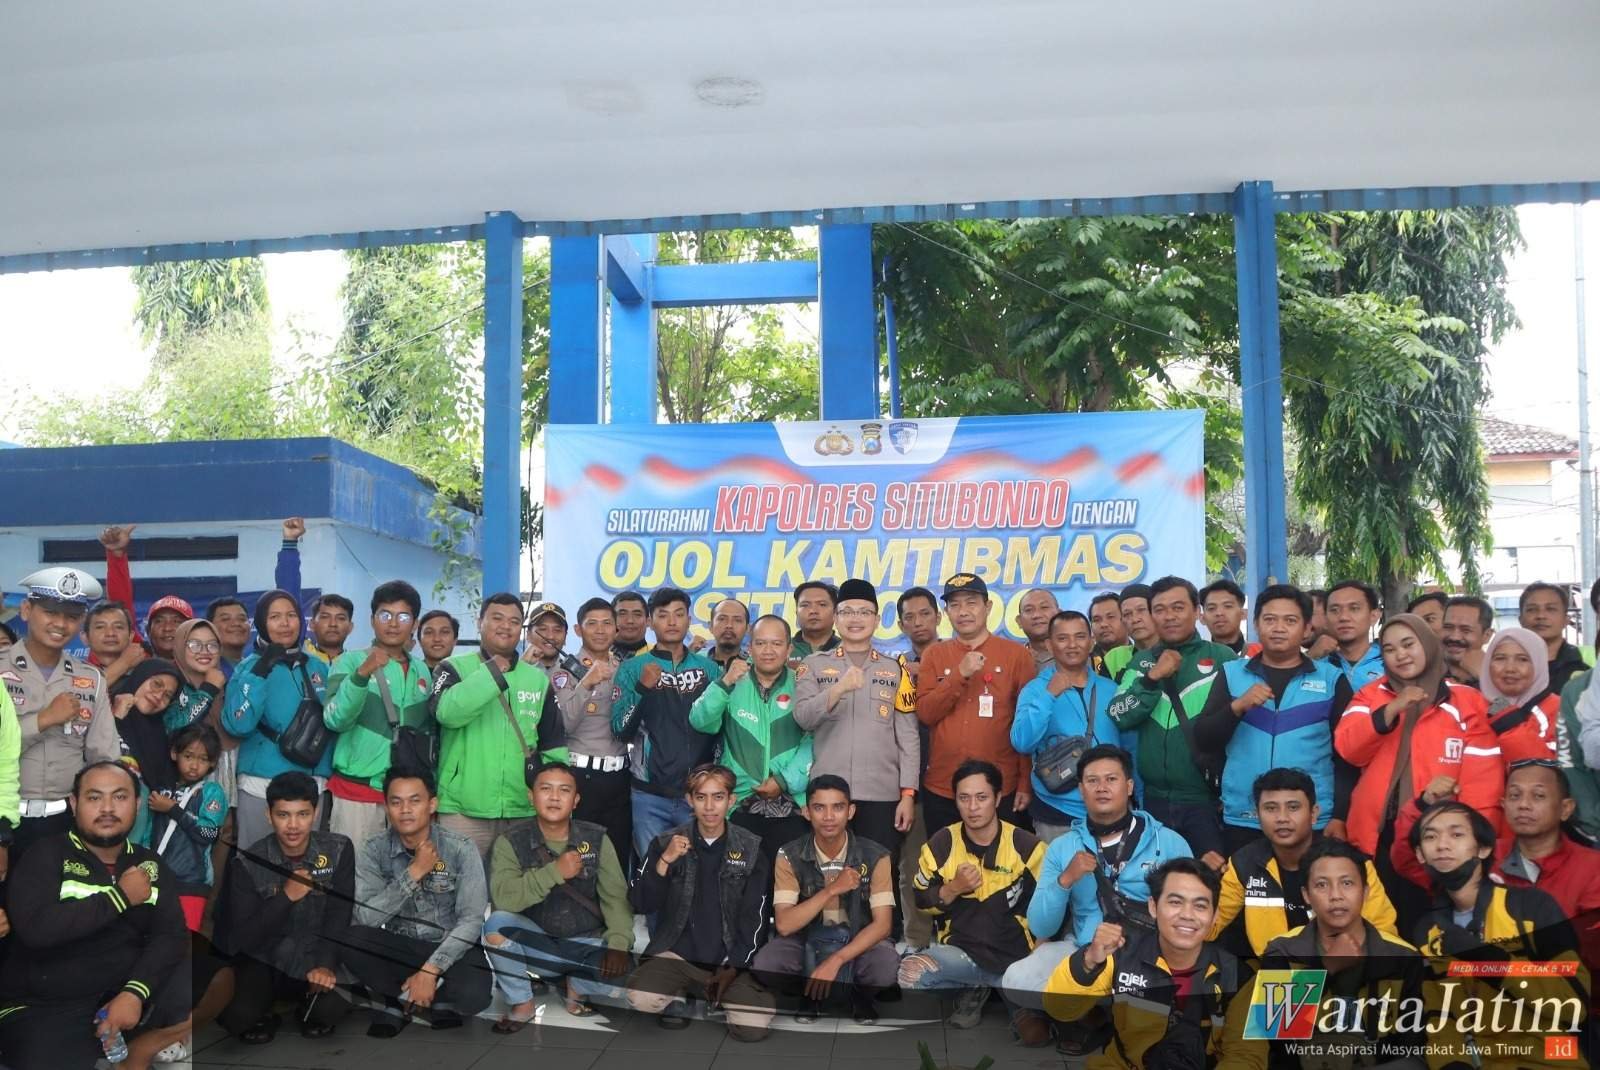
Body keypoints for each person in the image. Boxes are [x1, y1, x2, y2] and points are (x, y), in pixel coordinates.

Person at [0, 761, 232, 1070]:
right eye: (94, 797)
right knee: (41, 1055)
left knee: (217, 978)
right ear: (74, 804)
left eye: (120, 797)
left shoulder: (149, 863)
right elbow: (37, 929)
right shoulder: (45, 855)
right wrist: (120, 897)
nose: (107, 808)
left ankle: (142, 1047)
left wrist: (134, 992)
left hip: (122, 992)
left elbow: (170, 935)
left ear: (137, 803)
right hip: (47, 1001)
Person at [1337, 614, 1506, 930]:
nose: (1400, 655)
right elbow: (1348, 748)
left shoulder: (1466, 700)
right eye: (1389, 649)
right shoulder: (1370, 695)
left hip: (1438, 840)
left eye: (1408, 644)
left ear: (1428, 644)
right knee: (1378, 928)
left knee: (1432, 927)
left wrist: (1474, 841)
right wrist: (1392, 708)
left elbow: (1484, 780)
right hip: (1377, 836)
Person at [1005, 745, 1191, 1014]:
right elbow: (1041, 926)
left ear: (1129, 786)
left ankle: (1106, 1015)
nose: (1101, 788)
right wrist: (1065, 880)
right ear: (1081, 790)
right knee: (1017, 980)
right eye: (1092, 781)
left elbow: (1190, 913)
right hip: (1086, 950)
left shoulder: (1169, 843)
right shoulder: (1063, 847)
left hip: (1149, 954)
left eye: (1111, 779)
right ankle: (1093, 1014)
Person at [1408, 798, 1589, 1069]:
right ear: (1420, 854)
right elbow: (1439, 1017)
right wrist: (1451, 1063)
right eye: (1430, 837)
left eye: (1456, 834)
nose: (1442, 845)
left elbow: (1574, 1004)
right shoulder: (1426, 931)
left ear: (1484, 848)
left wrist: (1489, 960)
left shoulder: (1531, 907)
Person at [1042, 858, 1262, 1070]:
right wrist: (1089, 961)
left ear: (1215, 916)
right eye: (1175, 902)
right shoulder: (1120, 952)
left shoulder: (1239, 976)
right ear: (1153, 907)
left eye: (1200, 906)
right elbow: (1059, 1009)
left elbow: (1246, 1056)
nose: (1187, 915)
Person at [1193, 584, 1354, 854]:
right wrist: (1238, 706)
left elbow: (1348, 756)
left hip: (1312, 819)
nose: (1279, 628)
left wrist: (1340, 815)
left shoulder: (1331, 679)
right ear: (1256, 624)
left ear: (1307, 629)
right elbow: (1204, 738)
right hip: (1244, 816)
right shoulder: (1231, 674)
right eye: (1269, 619)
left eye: (1290, 621)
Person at [901, 759, 1050, 1044]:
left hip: (1015, 957)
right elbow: (920, 901)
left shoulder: (1027, 846)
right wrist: (953, 888)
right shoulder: (941, 844)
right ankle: (979, 986)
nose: (972, 807)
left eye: (981, 797)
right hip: (962, 952)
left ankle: (999, 989)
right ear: (955, 800)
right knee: (910, 974)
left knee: (1036, 1037)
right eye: (964, 798)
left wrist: (1037, 958)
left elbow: (1049, 908)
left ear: (997, 798)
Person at [628, 764, 775, 1039]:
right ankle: (682, 991)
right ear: (689, 800)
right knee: (642, 998)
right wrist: (665, 861)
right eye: (701, 797)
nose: (709, 807)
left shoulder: (751, 848)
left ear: (731, 800)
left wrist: (735, 966)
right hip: (677, 955)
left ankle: (719, 996)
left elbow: (756, 918)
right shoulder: (665, 843)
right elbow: (640, 902)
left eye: (718, 797)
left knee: (753, 1027)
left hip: (728, 959)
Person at [343, 767, 492, 1036]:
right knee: (352, 939)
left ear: (432, 805)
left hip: (449, 947)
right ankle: (400, 1001)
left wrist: (430, 970)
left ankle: (425, 995)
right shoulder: (373, 849)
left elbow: (471, 920)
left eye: (415, 801)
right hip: (402, 946)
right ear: (386, 807)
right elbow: (366, 918)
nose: (405, 810)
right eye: (396, 802)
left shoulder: (460, 847)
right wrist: (413, 873)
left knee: (475, 996)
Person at [484, 762, 632, 1029]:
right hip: (539, 946)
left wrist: (618, 945)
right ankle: (522, 1002)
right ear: (531, 796)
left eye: (564, 790)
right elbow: (504, 899)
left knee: (632, 982)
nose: (554, 797)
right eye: (546, 789)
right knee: (496, 925)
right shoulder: (511, 841)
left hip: (586, 944)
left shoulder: (596, 839)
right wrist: (555, 872)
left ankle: (574, 984)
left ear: (576, 800)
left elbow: (616, 898)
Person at [793, 579, 918, 888]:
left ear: (876, 620)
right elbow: (803, 718)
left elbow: (908, 737)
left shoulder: (896, 669)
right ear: (836, 618)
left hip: (882, 794)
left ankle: (882, 923)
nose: (855, 619)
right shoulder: (813, 665)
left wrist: (908, 795)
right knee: (826, 877)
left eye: (864, 612)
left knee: (880, 878)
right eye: (847, 611)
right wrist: (838, 689)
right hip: (829, 795)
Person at [1258, 838, 1425, 1066]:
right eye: (1322, 885)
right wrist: (1326, 967)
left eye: (1347, 883)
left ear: (1365, 892)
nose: (1335, 895)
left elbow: (1410, 1046)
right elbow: (1275, 1042)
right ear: (1306, 895)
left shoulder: (1403, 957)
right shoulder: (1281, 951)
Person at [1106, 574, 1235, 867]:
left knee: (1209, 880)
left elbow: (1238, 725)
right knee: (1156, 881)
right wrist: (1152, 678)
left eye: (1178, 607)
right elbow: (1118, 714)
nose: (1169, 616)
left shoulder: (1223, 657)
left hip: (1205, 801)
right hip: (1154, 801)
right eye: (1160, 609)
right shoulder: (1142, 662)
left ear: (1197, 612)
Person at [216, 771, 353, 1044]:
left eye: (302, 814)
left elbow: (339, 915)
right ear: (269, 815)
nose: (293, 825)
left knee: (330, 1011)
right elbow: (244, 938)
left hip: (314, 955)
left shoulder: (338, 850)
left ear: (315, 813)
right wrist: (286, 897)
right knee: (236, 1017)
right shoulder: (248, 863)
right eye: (283, 815)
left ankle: (305, 1008)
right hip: (266, 961)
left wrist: (325, 965)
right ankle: (268, 1012)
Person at [429, 592, 569, 859]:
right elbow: (447, 713)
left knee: (520, 885)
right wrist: (492, 673)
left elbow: (553, 744)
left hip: (522, 809)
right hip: (462, 810)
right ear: (479, 622)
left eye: (514, 621)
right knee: (459, 885)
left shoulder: (537, 680)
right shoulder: (452, 668)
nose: (506, 626)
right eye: (497, 618)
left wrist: (555, 798)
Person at [754, 774, 897, 1025]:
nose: (829, 817)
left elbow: (883, 925)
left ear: (850, 811)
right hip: (808, 938)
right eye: (819, 808)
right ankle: (809, 994)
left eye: (838, 807)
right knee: (767, 963)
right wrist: (831, 890)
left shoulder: (876, 855)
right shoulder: (789, 855)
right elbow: (785, 925)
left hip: (858, 938)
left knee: (885, 966)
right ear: (806, 812)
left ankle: (859, 995)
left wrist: (836, 960)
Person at [1210, 768, 1395, 957]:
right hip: (1275, 970)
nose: (1282, 818)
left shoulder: (1350, 863)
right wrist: (1198, 879)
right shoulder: (1245, 863)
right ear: (1257, 815)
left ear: (1313, 814)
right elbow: (1208, 927)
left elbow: (1385, 935)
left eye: (1293, 807)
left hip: (1345, 966)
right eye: (1271, 808)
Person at [7, 567, 118, 856]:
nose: (60, 623)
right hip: (5, 818)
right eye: (50, 612)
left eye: (71, 616)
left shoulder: (90, 679)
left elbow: (104, 758)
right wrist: (44, 720)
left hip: (67, 822)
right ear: (26, 610)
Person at [916, 573, 1036, 831]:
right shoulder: (934, 654)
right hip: (943, 786)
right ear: (946, 612)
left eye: (971, 603)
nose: (963, 611)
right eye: (955, 605)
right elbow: (925, 713)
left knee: (1002, 856)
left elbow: (1026, 725)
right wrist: (959, 675)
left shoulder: (1016, 655)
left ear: (988, 607)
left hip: (1000, 787)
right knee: (943, 856)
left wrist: (1025, 782)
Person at [690, 614, 814, 861]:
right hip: (739, 803)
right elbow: (700, 721)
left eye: (776, 643)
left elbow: (814, 740)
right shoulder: (732, 682)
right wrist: (725, 683)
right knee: (738, 879)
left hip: (792, 806)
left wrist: (783, 780)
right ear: (750, 647)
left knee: (787, 881)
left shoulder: (803, 685)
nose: (768, 650)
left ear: (789, 649)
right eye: (760, 643)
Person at [612, 586, 719, 864]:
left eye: (679, 614)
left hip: (698, 796)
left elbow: (722, 729)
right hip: (650, 796)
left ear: (689, 620)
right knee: (653, 873)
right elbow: (620, 728)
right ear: (650, 621)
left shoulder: (708, 669)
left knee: (697, 875)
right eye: (663, 615)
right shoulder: (632, 668)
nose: (672, 622)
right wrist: (642, 688)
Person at [324, 580, 435, 847]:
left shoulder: (422, 670)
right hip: (357, 791)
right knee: (356, 870)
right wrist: (361, 674)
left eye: (403, 617)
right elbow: (335, 719)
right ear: (372, 620)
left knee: (406, 869)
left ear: (415, 624)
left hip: (407, 797)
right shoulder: (349, 661)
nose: (393, 624)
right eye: (385, 615)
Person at [220, 589, 332, 851]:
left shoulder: (317, 666)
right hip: (261, 783)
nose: (285, 623)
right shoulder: (248, 667)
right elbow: (238, 724)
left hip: (311, 784)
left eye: (291, 615)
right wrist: (260, 671)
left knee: (306, 863)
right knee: (256, 861)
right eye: (275, 617)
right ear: (261, 622)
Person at [1010, 610, 1121, 841]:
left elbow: (1130, 747)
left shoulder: (1110, 689)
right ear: (1050, 646)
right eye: (1062, 638)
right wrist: (1048, 696)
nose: (1072, 645)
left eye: (1080, 637)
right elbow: (1022, 742)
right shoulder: (1036, 690)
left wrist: (1136, 797)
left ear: (1091, 642)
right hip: (1057, 812)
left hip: (1113, 808)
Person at [1493, 760, 1600, 972]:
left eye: (1538, 796)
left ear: (1565, 809)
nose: (1523, 804)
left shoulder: (1593, 868)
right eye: (1515, 795)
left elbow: (1589, 952)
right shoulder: (1484, 856)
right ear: (1503, 805)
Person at [553, 598, 631, 862]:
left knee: (617, 861)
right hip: (581, 777)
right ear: (578, 630)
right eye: (592, 623)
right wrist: (586, 684)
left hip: (620, 777)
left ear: (616, 629)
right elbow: (564, 724)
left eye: (607, 623)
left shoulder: (625, 670)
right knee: (579, 861)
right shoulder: (564, 672)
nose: (600, 630)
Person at [895, 585, 943, 950]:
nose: (918, 622)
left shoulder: (958, 660)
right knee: (913, 867)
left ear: (938, 617)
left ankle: (957, 940)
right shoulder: (894, 668)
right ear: (900, 625)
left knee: (957, 864)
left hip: (955, 784)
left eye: (924, 613)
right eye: (909, 617)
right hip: (912, 784)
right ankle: (916, 941)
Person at [149, 723, 228, 932]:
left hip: (191, 881)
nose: (194, 765)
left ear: (212, 762)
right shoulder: (161, 787)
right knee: (151, 938)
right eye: (189, 756)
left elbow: (209, 833)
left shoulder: (211, 792)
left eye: (203, 759)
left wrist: (173, 810)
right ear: (174, 753)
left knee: (184, 940)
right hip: (154, 877)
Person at [1481, 627, 1562, 764]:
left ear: (1539, 664)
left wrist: (1508, 722)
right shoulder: (1472, 705)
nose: (1510, 668)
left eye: (1523, 660)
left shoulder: (1559, 710)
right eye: (1500, 659)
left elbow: (1546, 769)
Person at [109, 658, 183, 801]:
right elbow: (94, 760)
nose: (159, 696)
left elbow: (165, 788)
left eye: (167, 695)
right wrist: (117, 718)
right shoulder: (102, 713)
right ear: (140, 677)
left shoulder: (160, 738)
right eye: (157, 684)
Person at [1521, 580, 1590, 693]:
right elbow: (1497, 703)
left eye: (1551, 609)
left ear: (1566, 620)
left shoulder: (1590, 661)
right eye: (1532, 609)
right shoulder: (1507, 667)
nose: (1541, 616)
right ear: (1521, 620)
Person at [164, 618, 228, 736]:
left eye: (212, 645)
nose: (204, 651)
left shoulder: (228, 684)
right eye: (194, 645)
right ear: (180, 647)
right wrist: (208, 690)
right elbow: (172, 728)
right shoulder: (169, 686)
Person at [1322, 579, 1385, 688]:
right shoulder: (1315, 666)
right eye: (1335, 610)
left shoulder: (1390, 663)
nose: (1343, 617)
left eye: (1354, 608)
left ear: (1373, 616)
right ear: (1325, 619)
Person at [84, 599, 143, 689]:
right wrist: (124, 663)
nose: (110, 633)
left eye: (118, 627)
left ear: (131, 636)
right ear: (85, 637)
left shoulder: (146, 673)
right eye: (100, 627)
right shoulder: (72, 671)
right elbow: (85, 692)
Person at [1102, 584, 1156, 683]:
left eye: (1141, 610)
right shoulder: (1114, 658)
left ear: (1156, 612)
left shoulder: (1176, 653)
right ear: (1122, 621)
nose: (1135, 619)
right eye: (1127, 614)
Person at [1441, 594, 1494, 687]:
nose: (1454, 637)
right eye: (1448, 627)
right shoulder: (1428, 675)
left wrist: (1485, 678)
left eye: (1466, 630)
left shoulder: (1503, 677)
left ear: (1487, 635)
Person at [523, 600, 585, 679]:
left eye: (557, 630)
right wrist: (521, 667)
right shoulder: (512, 670)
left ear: (565, 637)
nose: (550, 636)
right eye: (543, 629)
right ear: (528, 635)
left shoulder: (577, 675)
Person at [791, 580, 840, 658]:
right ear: (796, 612)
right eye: (805, 605)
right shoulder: (784, 649)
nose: (813, 611)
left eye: (822, 604)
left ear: (835, 612)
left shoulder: (848, 649)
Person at [1199, 579, 1247, 655]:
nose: (1219, 613)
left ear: (1243, 614)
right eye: (1211, 608)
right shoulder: (1196, 658)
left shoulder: (1262, 655)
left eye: (1228, 606)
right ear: (1202, 618)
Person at [205, 597, 253, 674]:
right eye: (226, 619)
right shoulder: (204, 669)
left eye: (242, 619)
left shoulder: (257, 667)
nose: (236, 623)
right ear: (210, 627)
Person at [1015, 587, 1060, 667]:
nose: (1037, 615)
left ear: (1060, 615)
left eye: (1044, 607)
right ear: (1019, 621)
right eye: (1029, 610)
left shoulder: (1080, 658)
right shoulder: (1011, 659)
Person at [1087, 592, 1128, 677]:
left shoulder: (1143, 658)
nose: (1103, 624)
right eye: (1097, 620)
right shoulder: (1083, 664)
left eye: (1110, 617)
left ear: (1125, 619)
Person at [707, 597, 751, 672]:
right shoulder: (695, 662)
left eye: (737, 620)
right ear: (711, 626)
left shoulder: (757, 667)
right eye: (722, 619)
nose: (729, 625)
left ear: (747, 628)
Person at [611, 591, 650, 659]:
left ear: (648, 621)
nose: (630, 621)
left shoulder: (661, 658)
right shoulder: (594, 655)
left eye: (637, 614)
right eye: (622, 614)